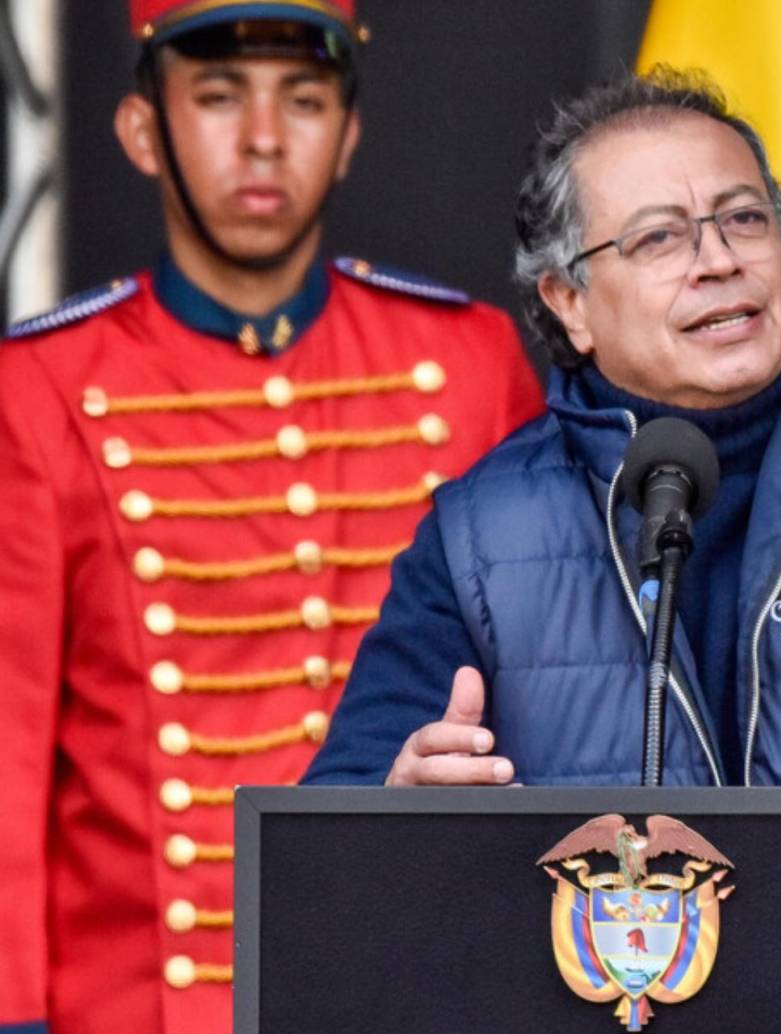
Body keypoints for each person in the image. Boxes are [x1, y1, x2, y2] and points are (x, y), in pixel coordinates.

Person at [0, 3, 542, 1032]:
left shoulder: (469, 359)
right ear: (140, 131)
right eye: (216, 97)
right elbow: (5, 750)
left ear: (347, 138)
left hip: (427, 981)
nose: (261, 137)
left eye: (302, 100)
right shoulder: (38, 386)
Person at [304, 67, 781, 793]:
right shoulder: (481, 535)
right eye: (659, 239)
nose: (719, 261)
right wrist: (396, 812)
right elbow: (325, 845)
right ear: (569, 303)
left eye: (745, 217)